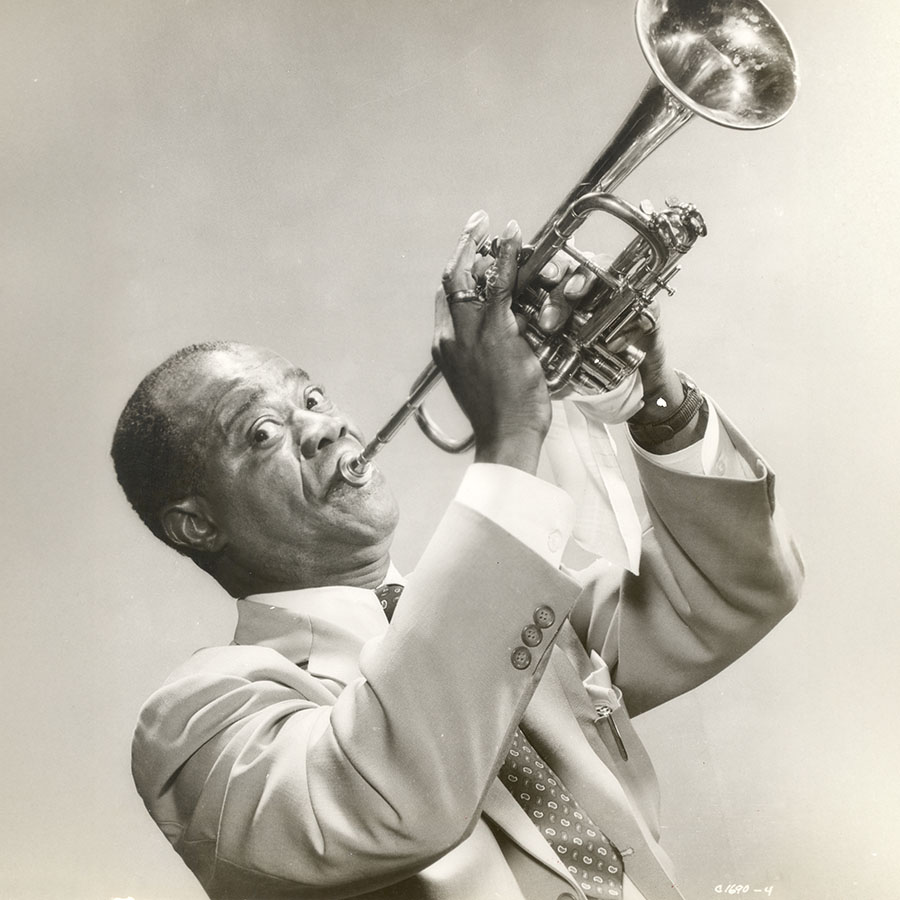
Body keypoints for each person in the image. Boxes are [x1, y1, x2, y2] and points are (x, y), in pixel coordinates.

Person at [112, 211, 803, 900]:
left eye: (312, 397)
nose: (323, 426)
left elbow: (734, 594)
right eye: (262, 432)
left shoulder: (521, 608)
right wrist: (510, 437)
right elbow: (386, 802)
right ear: (196, 525)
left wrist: (657, 399)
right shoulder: (198, 720)